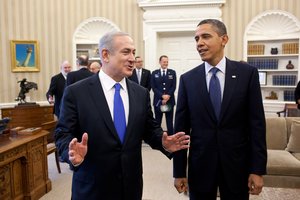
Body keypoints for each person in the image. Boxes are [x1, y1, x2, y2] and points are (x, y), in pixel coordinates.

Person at [55, 31, 190, 200]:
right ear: (105, 55)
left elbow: (150, 129)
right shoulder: (76, 92)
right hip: (92, 187)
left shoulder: (140, 93)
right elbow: (62, 133)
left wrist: (163, 142)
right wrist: (71, 153)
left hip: (130, 186)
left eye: (133, 52)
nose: (132, 58)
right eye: (126, 52)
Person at [173, 19, 267, 200]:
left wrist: (257, 169)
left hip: (236, 165)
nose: (199, 43)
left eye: (206, 36)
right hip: (200, 166)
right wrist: (178, 171)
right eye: (196, 39)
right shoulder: (187, 80)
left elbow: (257, 125)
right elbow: (181, 132)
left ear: (224, 39)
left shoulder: (247, 74)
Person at [151, 55, 176, 134]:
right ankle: (158, 138)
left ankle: (171, 137)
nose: (166, 63)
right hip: (158, 101)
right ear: (160, 62)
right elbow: (153, 87)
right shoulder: (154, 73)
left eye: (167, 62)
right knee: (158, 122)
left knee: (169, 121)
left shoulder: (172, 72)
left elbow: (173, 86)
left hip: (169, 101)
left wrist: (168, 96)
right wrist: (162, 96)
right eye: (164, 62)